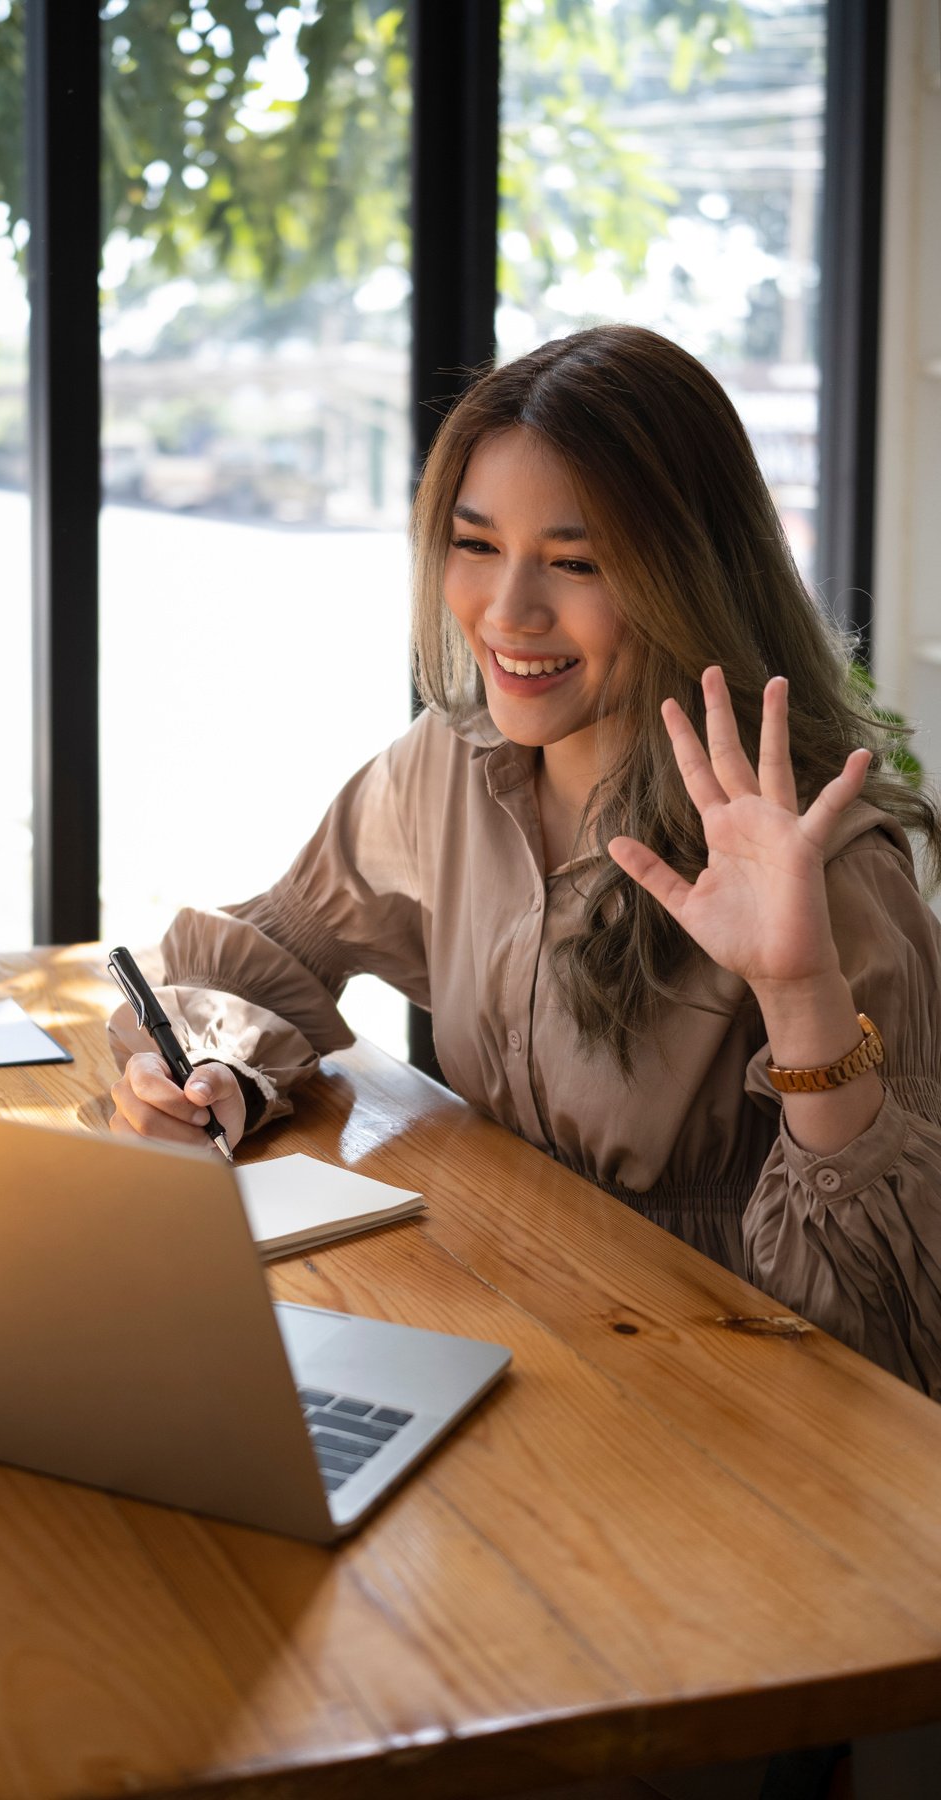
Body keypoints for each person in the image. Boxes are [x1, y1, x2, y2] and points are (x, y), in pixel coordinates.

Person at [108, 323, 941, 1404]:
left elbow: (892, 1337)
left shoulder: (818, 864)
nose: (508, 613)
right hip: (501, 1349)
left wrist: (801, 994)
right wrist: (221, 1071)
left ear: (689, 573)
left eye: (576, 562)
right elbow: (266, 947)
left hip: (721, 1428)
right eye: (475, 544)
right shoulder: (448, 769)